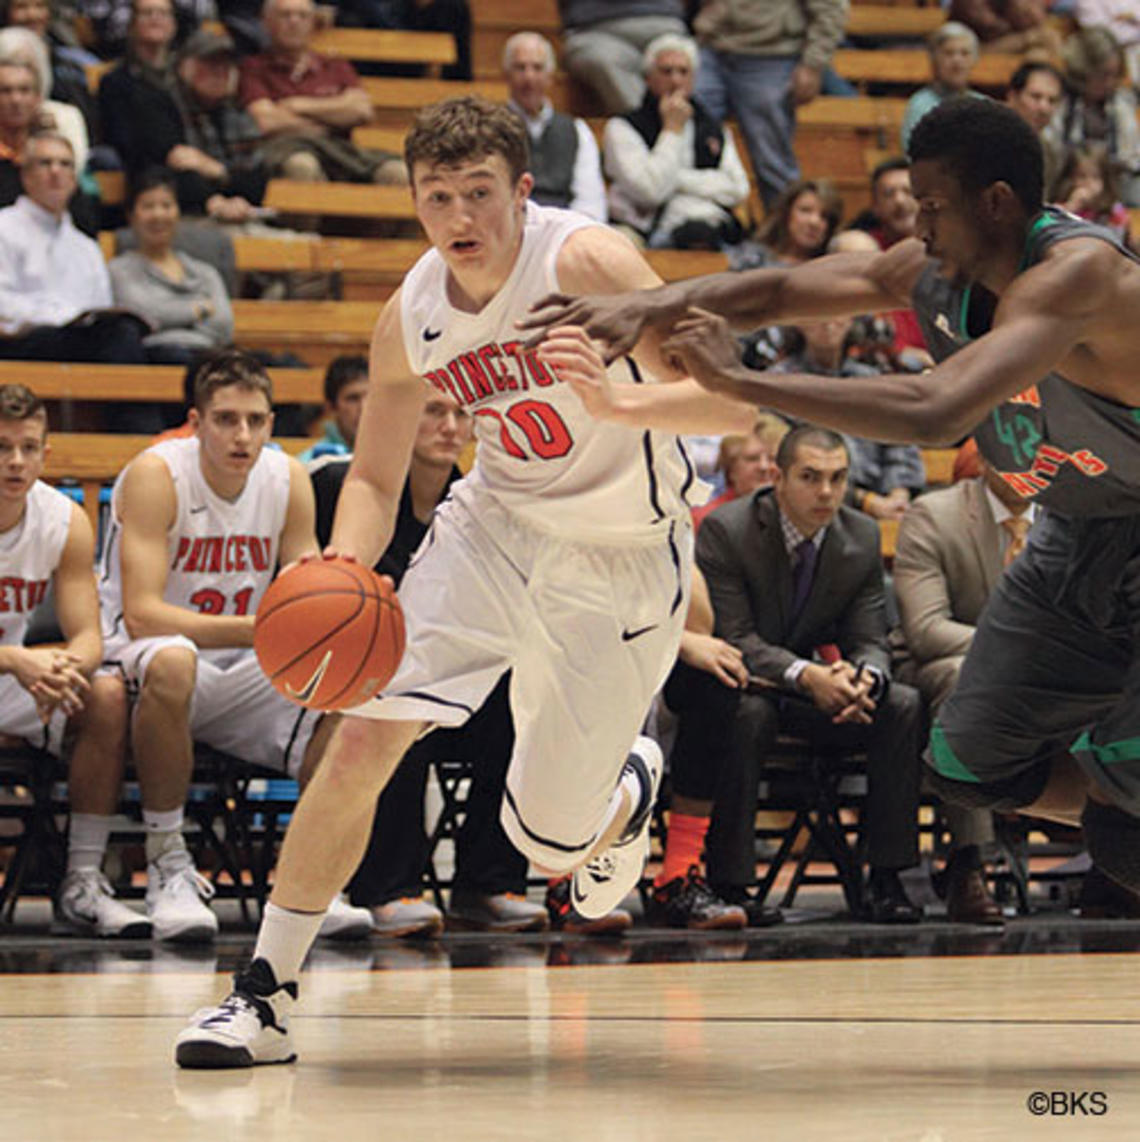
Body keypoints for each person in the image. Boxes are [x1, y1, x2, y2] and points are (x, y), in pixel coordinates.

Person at [174, 94, 755, 1069]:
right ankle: (264, 994)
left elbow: (735, 393)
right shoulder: (413, 312)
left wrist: (624, 399)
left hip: (617, 559)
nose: (460, 217)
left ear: (523, 193)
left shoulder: (586, 264)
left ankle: (625, 791)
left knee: (550, 849)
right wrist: (345, 566)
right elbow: (371, 472)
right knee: (360, 728)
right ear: (414, 202)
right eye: (437, 196)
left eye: (479, 193)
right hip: (493, 528)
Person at [527, 96, 1140, 919]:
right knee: (964, 763)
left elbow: (936, 409)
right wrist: (653, 305)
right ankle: (1121, 811)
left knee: (1122, 778)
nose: (916, 228)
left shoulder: (1081, 273)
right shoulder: (937, 271)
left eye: (932, 208)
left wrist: (741, 382)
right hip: (1077, 530)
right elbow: (780, 288)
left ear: (996, 204)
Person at [96, 349, 369, 942]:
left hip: (243, 665)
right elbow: (142, 614)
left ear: (271, 424)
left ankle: (312, 881)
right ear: (196, 423)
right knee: (173, 659)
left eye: (254, 420)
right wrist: (261, 630)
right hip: (145, 661)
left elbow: (303, 585)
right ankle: (168, 864)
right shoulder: (155, 474)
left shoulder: (287, 477)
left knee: (343, 688)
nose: (241, 435)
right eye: (225, 419)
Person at [312, 394, 550, 936]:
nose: (450, 427)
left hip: (458, 683)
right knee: (397, 694)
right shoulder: (339, 489)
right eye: (433, 411)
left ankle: (489, 882)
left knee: (520, 698)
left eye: (462, 415)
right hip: (362, 678)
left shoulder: (478, 507)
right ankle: (388, 889)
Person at [695, 425, 924, 922]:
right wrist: (808, 677)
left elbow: (870, 635)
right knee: (747, 713)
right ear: (778, 477)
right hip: (752, 684)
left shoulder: (859, 534)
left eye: (838, 479)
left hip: (816, 690)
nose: (826, 492)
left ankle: (886, 879)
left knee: (901, 704)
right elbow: (736, 638)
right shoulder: (728, 531)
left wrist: (865, 678)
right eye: (810, 477)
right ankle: (730, 883)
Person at [0, 383, 143, 938]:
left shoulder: (63, 519)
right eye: (3, 447)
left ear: (45, 453)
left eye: (28, 448)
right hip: (12, 665)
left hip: (18, 675)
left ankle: (82, 879)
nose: (16, 462)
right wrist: (18, 660)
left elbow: (88, 635)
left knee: (104, 693)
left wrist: (65, 669)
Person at [891, 457, 1035, 924]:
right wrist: (1022, 652)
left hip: (1044, 676)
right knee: (963, 680)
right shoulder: (935, 514)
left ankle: (1111, 864)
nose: (1026, 462)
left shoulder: (1068, 516)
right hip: (942, 669)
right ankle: (968, 863)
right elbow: (926, 630)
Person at [647, 564, 753, 930]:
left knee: (715, 674)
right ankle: (569, 879)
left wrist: (671, 544)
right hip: (567, 675)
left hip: (649, 670)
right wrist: (679, 641)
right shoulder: (569, 515)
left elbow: (701, 626)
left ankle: (679, 876)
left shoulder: (657, 519)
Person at [0, 131, 148, 370]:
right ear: (25, 175)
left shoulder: (86, 246)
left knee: (130, 337)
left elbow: (100, 305)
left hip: (80, 341)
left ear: (74, 178)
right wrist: (61, 316)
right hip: (23, 342)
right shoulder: (4, 228)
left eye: (65, 164)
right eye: (45, 163)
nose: (56, 171)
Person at [691, 0, 847, 212]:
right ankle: (694, 226)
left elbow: (832, 8)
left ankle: (782, 235)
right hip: (711, 47)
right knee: (688, 138)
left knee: (773, 162)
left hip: (772, 54)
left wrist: (813, 64)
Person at [769, 316, 926, 523]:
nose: (828, 321)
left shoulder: (872, 380)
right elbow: (789, 468)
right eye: (818, 311)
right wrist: (866, 502)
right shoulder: (778, 384)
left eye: (838, 311)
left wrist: (898, 495)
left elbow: (900, 445)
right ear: (798, 321)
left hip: (886, 505)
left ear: (852, 320)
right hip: (812, 508)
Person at [603, 33, 749, 251]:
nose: (676, 80)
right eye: (666, 71)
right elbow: (650, 192)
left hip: (709, 227)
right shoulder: (622, 128)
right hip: (644, 230)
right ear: (648, 77)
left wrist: (677, 180)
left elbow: (738, 189)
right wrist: (672, 131)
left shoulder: (713, 128)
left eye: (683, 72)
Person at [238, 0, 406, 188]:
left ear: (313, 23)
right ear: (266, 23)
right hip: (286, 148)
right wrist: (332, 118)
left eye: (303, 16)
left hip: (340, 150)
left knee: (397, 171)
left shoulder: (335, 65)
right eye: (285, 15)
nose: (294, 22)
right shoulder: (252, 67)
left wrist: (296, 105)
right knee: (302, 166)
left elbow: (362, 110)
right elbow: (266, 121)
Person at [108, 167, 235, 365]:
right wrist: (200, 310)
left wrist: (171, 319)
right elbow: (144, 318)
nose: (158, 215)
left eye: (167, 206)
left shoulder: (204, 272)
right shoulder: (119, 270)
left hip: (210, 355)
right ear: (131, 216)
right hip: (158, 357)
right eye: (148, 206)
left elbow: (224, 325)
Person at [502, 31, 605, 222]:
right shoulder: (491, 128)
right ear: (506, 75)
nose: (529, 77)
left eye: (537, 68)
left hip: (565, 234)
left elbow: (590, 203)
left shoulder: (577, 130)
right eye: (520, 67)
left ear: (551, 76)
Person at [1047, 25, 1140, 207]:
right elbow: (1054, 156)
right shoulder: (1061, 103)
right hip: (1068, 184)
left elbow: (1130, 156)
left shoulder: (1121, 103)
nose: (1111, 83)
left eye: (1115, 75)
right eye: (1104, 75)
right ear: (1083, 72)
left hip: (1116, 185)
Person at [558, 0, 688, 116]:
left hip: (665, 23)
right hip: (594, 28)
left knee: (685, 59)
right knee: (600, 59)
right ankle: (647, 128)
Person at [900, 23, 984, 152]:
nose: (957, 61)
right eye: (949, 53)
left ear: (975, 59)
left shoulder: (983, 104)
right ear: (934, 59)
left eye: (965, 53)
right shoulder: (920, 105)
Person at [1005, 61, 1065, 198]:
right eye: (1036, 97)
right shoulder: (987, 141)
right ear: (1013, 97)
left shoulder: (1050, 152)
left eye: (1052, 100)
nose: (1044, 108)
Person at [297, 353, 368, 463]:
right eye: (352, 399)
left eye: (372, 397)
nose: (364, 408)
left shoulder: (397, 460)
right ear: (331, 408)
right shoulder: (310, 464)